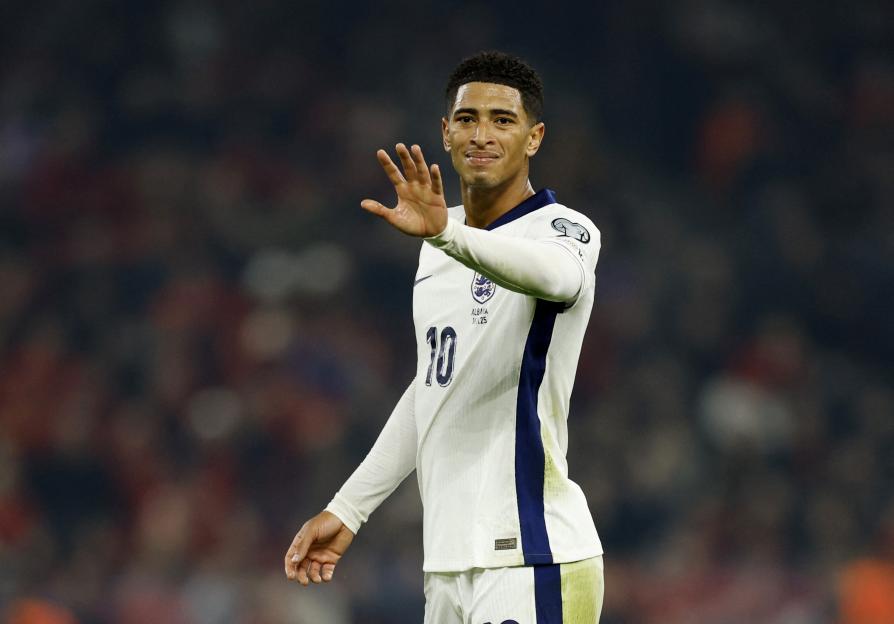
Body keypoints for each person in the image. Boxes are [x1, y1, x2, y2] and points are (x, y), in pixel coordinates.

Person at [284, 50, 604, 623]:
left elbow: (557, 278)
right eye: (467, 118)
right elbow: (434, 389)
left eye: (502, 120)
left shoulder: (563, 230)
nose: (482, 134)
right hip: (448, 566)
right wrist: (350, 508)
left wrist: (449, 236)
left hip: (531, 556)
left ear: (534, 138)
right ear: (446, 132)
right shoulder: (437, 242)